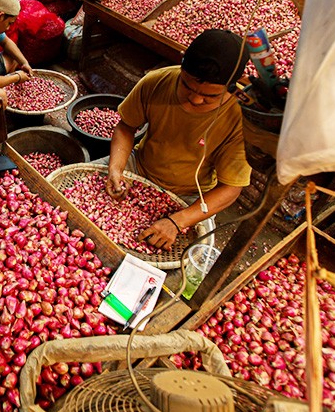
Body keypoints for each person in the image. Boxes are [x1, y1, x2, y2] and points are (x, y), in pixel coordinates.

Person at [105, 29, 252, 250]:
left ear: (235, 85)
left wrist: (178, 220)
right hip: (139, 166)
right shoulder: (157, 82)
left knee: (194, 258)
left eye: (210, 96)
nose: (195, 98)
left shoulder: (241, 119)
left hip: (192, 192)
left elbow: (231, 188)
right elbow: (126, 127)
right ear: (182, 64)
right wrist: (116, 169)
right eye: (186, 85)